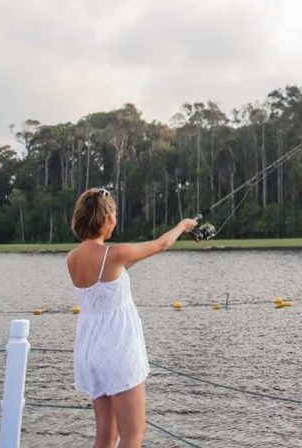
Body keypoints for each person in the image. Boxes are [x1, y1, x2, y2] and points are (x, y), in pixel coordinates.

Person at [66, 187, 197, 448]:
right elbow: (162, 244)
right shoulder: (114, 255)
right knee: (133, 434)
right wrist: (183, 225)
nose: (115, 219)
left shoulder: (72, 258)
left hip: (90, 351)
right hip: (117, 350)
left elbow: (112, 276)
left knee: (105, 434)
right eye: (113, 214)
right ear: (105, 218)